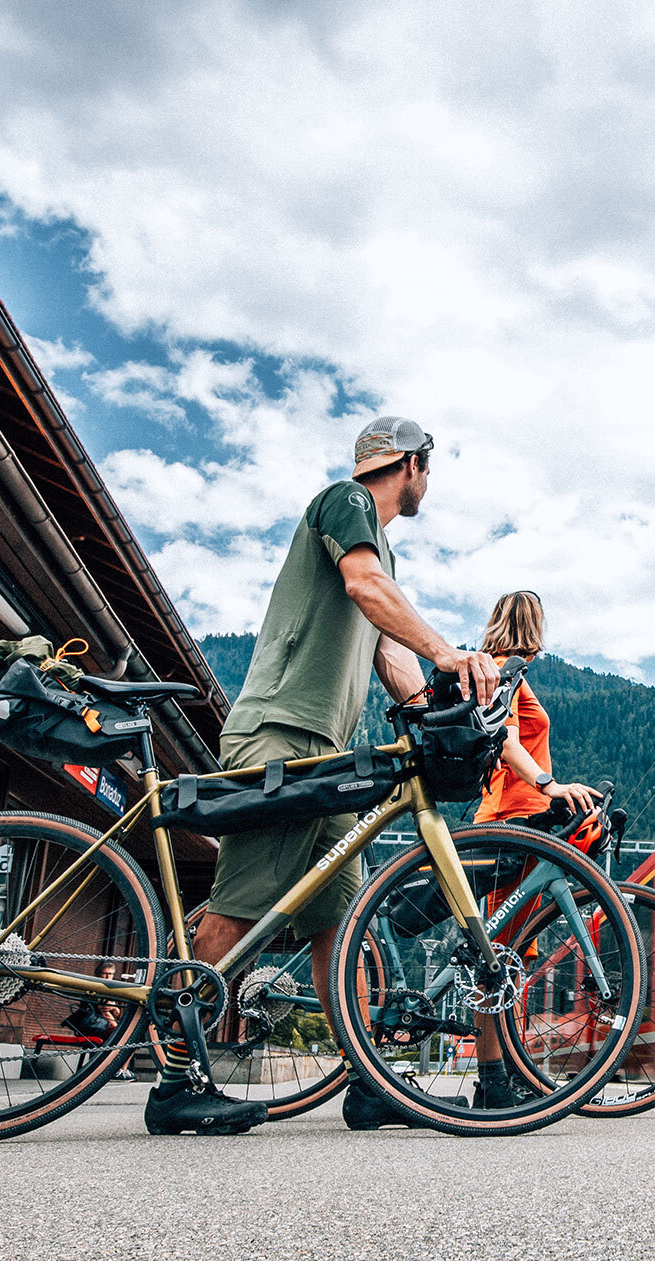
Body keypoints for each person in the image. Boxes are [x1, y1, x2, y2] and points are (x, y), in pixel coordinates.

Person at [144, 416, 500, 1136]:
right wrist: (448, 650)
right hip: (281, 735)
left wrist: (439, 703)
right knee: (237, 909)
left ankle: (369, 1083)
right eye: (427, 468)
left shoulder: (380, 557)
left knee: (339, 925)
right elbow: (364, 585)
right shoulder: (347, 502)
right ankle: (175, 1078)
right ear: (409, 464)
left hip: (325, 755)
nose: (428, 481)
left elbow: (388, 660)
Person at [466, 590, 600, 1108]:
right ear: (534, 624)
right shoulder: (505, 671)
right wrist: (550, 785)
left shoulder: (502, 671)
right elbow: (505, 741)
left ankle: (503, 1075)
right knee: (494, 956)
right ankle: (493, 1080)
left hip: (516, 818)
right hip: (510, 821)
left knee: (506, 953)